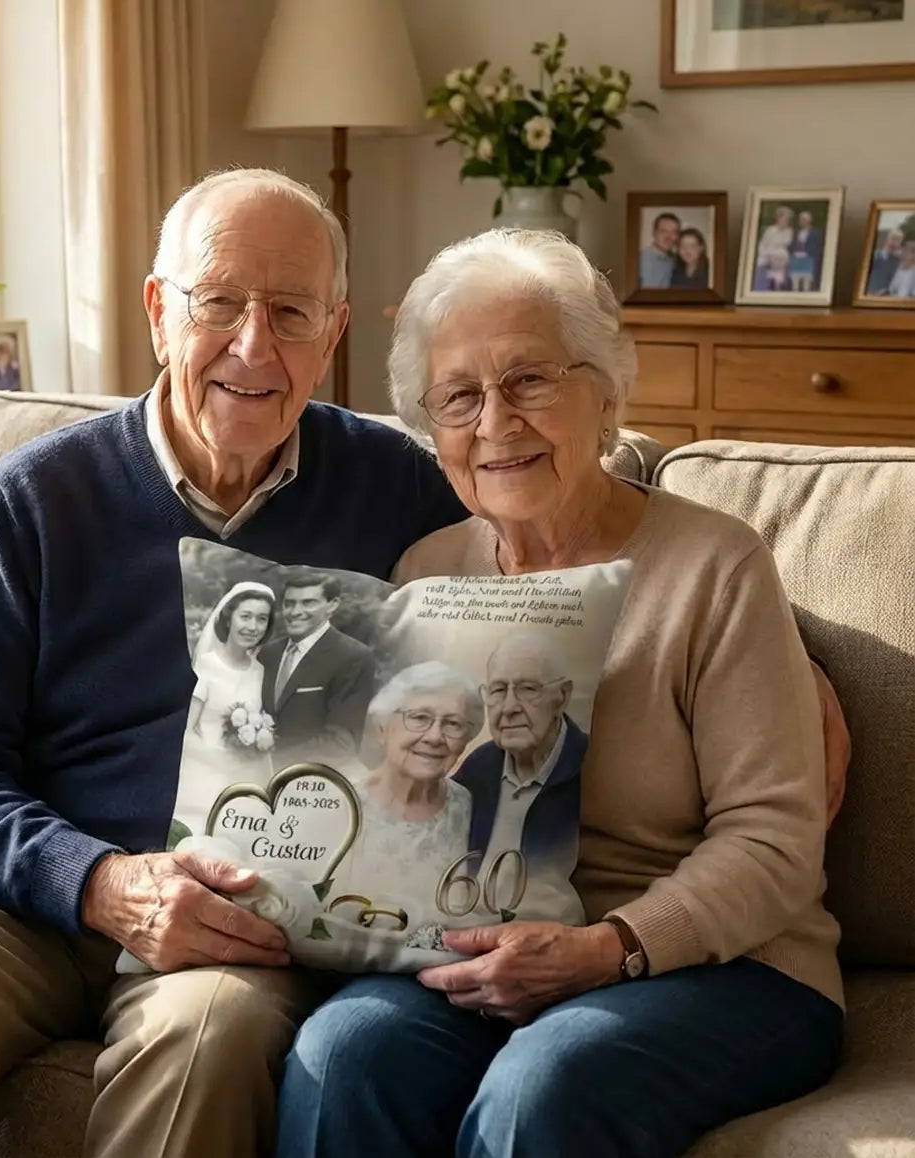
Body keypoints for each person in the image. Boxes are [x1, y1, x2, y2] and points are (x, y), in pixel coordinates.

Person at [0, 168, 469, 1158]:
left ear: (332, 337)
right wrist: (101, 883)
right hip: (28, 890)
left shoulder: (400, 492)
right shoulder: (39, 494)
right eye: (220, 303)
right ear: (160, 311)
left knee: (210, 1038)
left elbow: (518, 617)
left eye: (289, 312)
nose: (253, 345)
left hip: (241, 915)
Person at [275, 229, 849, 1158]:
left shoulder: (713, 566)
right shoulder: (426, 574)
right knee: (344, 1052)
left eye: (529, 380)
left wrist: (605, 948)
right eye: (458, 396)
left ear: (607, 391)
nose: (494, 422)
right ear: (430, 429)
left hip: (726, 968)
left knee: (543, 1082)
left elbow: (775, 842)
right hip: (483, 954)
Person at [453, 637, 587, 927]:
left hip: (558, 944)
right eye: (499, 691)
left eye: (528, 689)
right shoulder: (478, 767)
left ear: (562, 697)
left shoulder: (596, 768)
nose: (510, 706)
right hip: (464, 935)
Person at [335, 662, 479, 918]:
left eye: (453, 724)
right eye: (419, 718)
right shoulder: (339, 803)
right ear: (382, 729)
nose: (435, 737)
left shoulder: (468, 807)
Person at [259, 573, 376, 761]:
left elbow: (341, 743)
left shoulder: (353, 657)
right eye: (289, 603)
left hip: (308, 778)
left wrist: (271, 759)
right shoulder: (268, 654)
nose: (295, 611)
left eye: (308, 603)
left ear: (332, 604)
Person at [187, 581, 276, 794]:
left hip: (247, 777)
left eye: (261, 619)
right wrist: (220, 764)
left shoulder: (260, 671)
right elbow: (185, 731)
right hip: (204, 773)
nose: (253, 627)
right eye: (245, 617)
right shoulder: (206, 666)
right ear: (229, 619)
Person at [637, 212, 679, 288]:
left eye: (674, 232)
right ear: (654, 233)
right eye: (664, 231)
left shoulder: (678, 260)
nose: (669, 236)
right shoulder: (639, 258)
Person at [788, 210, 824, 292]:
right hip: (796, 260)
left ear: (808, 221)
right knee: (795, 284)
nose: (800, 222)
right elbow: (792, 245)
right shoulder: (796, 232)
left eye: (802, 220)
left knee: (807, 285)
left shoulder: (816, 232)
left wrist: (807, 254)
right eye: (800, 220)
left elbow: (818, 247)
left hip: (809, 261)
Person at [867, 228, 905, 294]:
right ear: (887, 239)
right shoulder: (874, 256)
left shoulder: (899, 261)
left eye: (898, 240)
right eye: (893, 239)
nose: (894, 243)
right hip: (870, 294)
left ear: (900, 243)